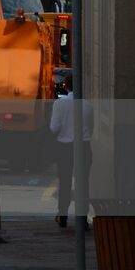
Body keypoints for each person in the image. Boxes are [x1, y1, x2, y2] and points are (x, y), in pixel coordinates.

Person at [50, 73, 92, 227]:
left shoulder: (59, 105)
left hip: (65, 147)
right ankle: (83, 218)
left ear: (66, 86)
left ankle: (63, 215)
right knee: (83, 182)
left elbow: (54, 128)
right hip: (84, 146)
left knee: (65, 181)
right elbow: (91, 129)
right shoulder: (88, 105)